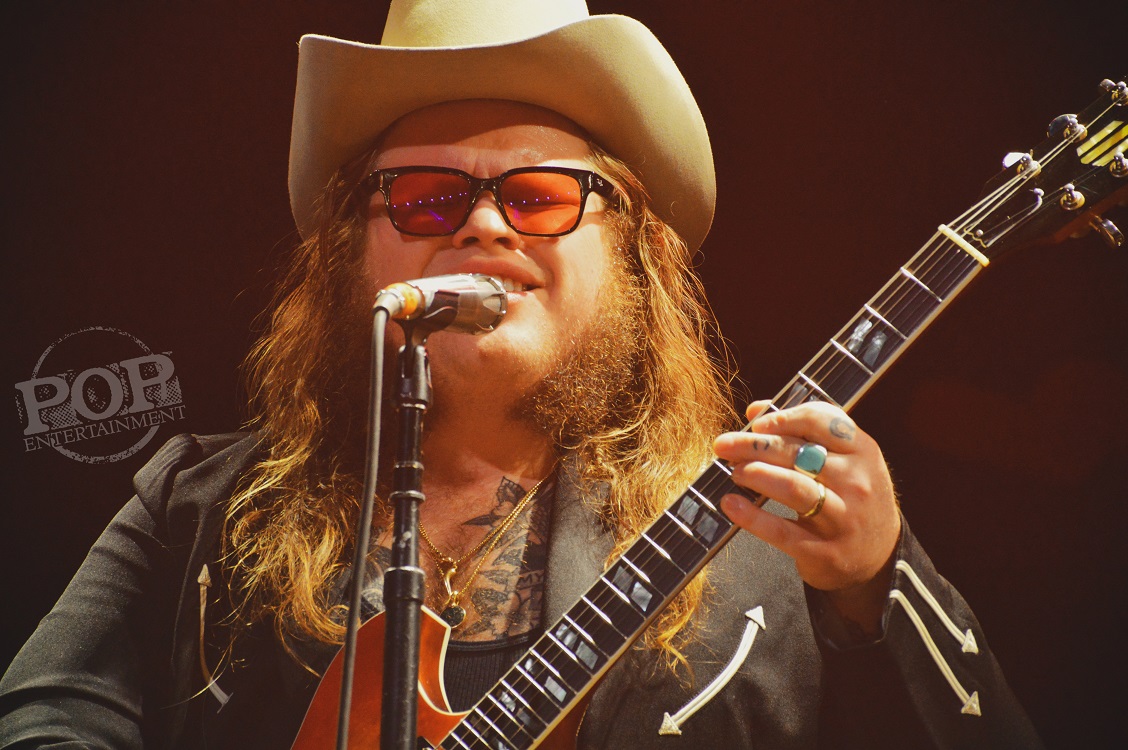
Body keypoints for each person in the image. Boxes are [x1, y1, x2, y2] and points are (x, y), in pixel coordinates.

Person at [0, 1, 1043, 748]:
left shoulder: (760, 529)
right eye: (425, 197)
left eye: (540, 196)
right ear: (355, 253)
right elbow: (46, 717)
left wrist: (873, 583)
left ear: (631, 253)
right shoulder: (196, 505)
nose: (484, 227)